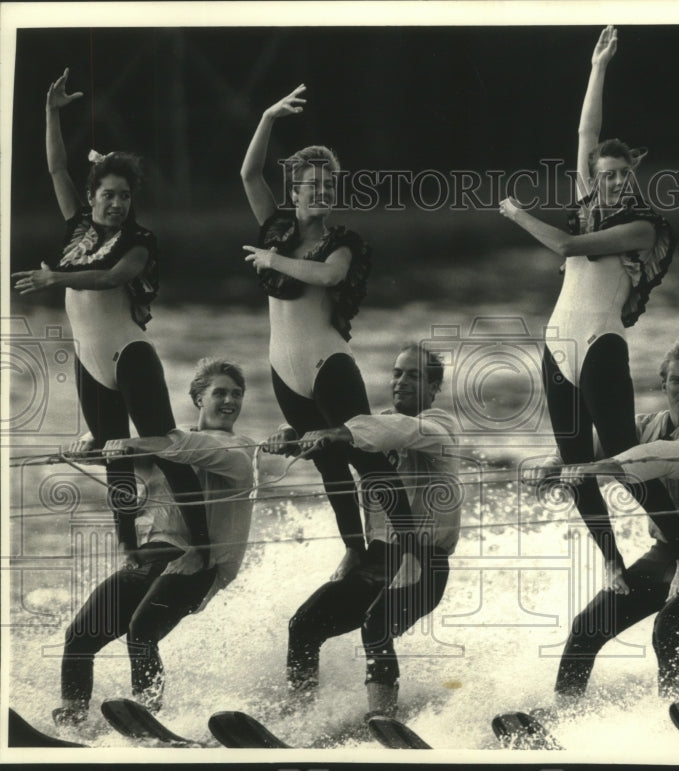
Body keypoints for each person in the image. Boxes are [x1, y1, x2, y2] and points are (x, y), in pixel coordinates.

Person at [498, 26, 679, 599]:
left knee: (620, 456)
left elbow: (565, 248)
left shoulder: (640, 228)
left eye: (618, 175)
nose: (608, 181)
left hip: (601, 345)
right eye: (602, 174)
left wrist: (518, 215)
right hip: (556, 347)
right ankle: (613, 567)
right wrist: (598, 67)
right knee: (572, 466)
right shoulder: (590, 205)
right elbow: (586, 131)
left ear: (631, 177)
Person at [13, 67, 213, 591]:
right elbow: (57, 169)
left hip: (129, 356)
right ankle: (131, 550)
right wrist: (51, 112)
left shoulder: (139, 240)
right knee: (113, 458)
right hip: (90, 360)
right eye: (108, 194)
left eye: (124, 195)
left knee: (162, 449)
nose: (117, 203)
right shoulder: (78, 225)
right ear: (94, 194)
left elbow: (109, 278)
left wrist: (56, 275)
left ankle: (204, 548)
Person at [241, 83, 420, 587]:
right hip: (283, 369)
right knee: (326, 464)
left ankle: (409, 552)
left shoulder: (342, 242)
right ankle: (355, 552)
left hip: (326, 364)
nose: (320, 193)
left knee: (365, 456)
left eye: (327, 186)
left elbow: (327, 278)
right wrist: (269, 116)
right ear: (294, 191)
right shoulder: (274, 227)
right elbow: (249, 174)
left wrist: (274, 261)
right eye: (310, 186)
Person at [540, 342, 679, 704]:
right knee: (587, 627)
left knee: (669, 630)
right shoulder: (645, 427)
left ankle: (673, 716)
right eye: (675, 380)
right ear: (663, 386)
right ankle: (563, 713)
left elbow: (674, 456)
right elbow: (586, 448)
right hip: (666, 553)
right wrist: (555, 464)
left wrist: (610, 465)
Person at [54, 358, 256, 726]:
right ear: (198, 398)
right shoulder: (168, 442)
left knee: (141, 631)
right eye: (220, 392)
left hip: (201, 562)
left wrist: (136, 442)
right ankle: (71, 719)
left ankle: (149, 718)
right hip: (153, 553)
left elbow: (188, 449)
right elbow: (132, 461)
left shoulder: (239, 450)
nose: (230, 401)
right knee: (79, 636)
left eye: (236, 394)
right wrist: (93, 444)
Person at [272, 343, 461, 719]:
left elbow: (399, 431)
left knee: (376, 626)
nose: (401, 381)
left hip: (422, 563)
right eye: (396, 373)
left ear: (434, 387)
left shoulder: (440, 426)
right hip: (376, 561)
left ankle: (383, 720)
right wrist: (295, 434)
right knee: (304, 626)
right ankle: (299, 720)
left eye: (414, 375)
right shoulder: (371, 430)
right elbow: (344, 448)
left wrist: (339, 431)